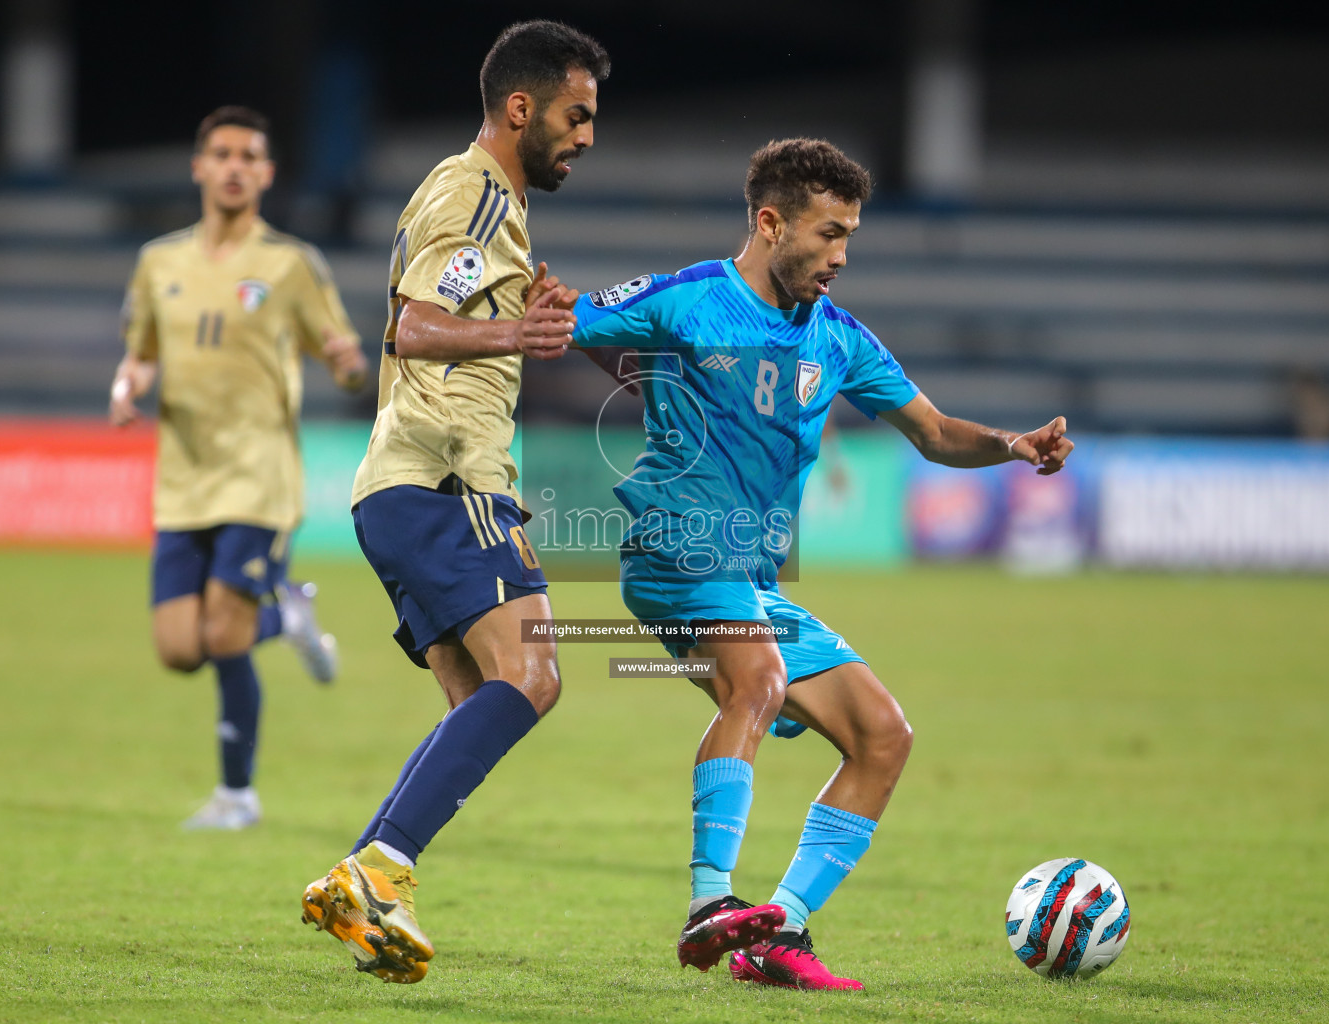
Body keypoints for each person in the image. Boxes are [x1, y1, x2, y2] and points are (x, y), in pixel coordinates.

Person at [571, 138, 1074, 990]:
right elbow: (565, 323)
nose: (841, 257)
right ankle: (708, 904)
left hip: (753, 579)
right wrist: (530, 307)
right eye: (829, 234)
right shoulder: (690, 298)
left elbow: (935, 431)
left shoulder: (837, 338)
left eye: (850, 237)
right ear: (770, 225)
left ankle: (781, 935)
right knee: (757, 680)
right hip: (674, 546)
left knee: (883, 736)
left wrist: (1012, 445)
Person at [298, 21, 608, 985]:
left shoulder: (487, 204)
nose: (587, 136)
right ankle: (376, 867)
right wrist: (519, 328)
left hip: (401, 488)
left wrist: (525, 318)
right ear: (521, 108)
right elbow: (413, 326)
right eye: (576, 114)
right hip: (448, 480)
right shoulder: (473, 191)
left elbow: (448, 313)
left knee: (479, 703)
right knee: (537, 676)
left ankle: (366, 886)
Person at [110, 106, 368, 831]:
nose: (232, 166)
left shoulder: (290, 265)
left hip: (259, 477)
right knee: (178, 650)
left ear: (266, 173)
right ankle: (287, 614)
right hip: (184, 479)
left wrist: (350, 369)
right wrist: (125, 385)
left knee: (225, 635)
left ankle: (236, 796)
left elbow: (342, 356)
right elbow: (142, 351)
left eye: (247, 156)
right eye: (220, 153)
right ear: (198, 166)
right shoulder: (160, 262)